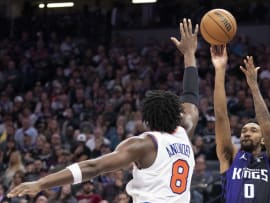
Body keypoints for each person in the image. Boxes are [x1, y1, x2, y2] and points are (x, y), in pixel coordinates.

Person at [7, 18, 200, 203]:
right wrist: (189, 53)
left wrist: (41, 183)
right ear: (176, 114)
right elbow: (190, 94)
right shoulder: (185, 131)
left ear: (146, 121)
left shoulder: (143, 144)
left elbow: (93, 167)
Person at [211, 47, 270, 202]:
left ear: (263, 139)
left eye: (253, 130)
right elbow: (221, 115)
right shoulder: (230, 156)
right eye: (244, 130)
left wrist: (253, 86)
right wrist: (219, 69)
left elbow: (267, 127)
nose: (246, 133)